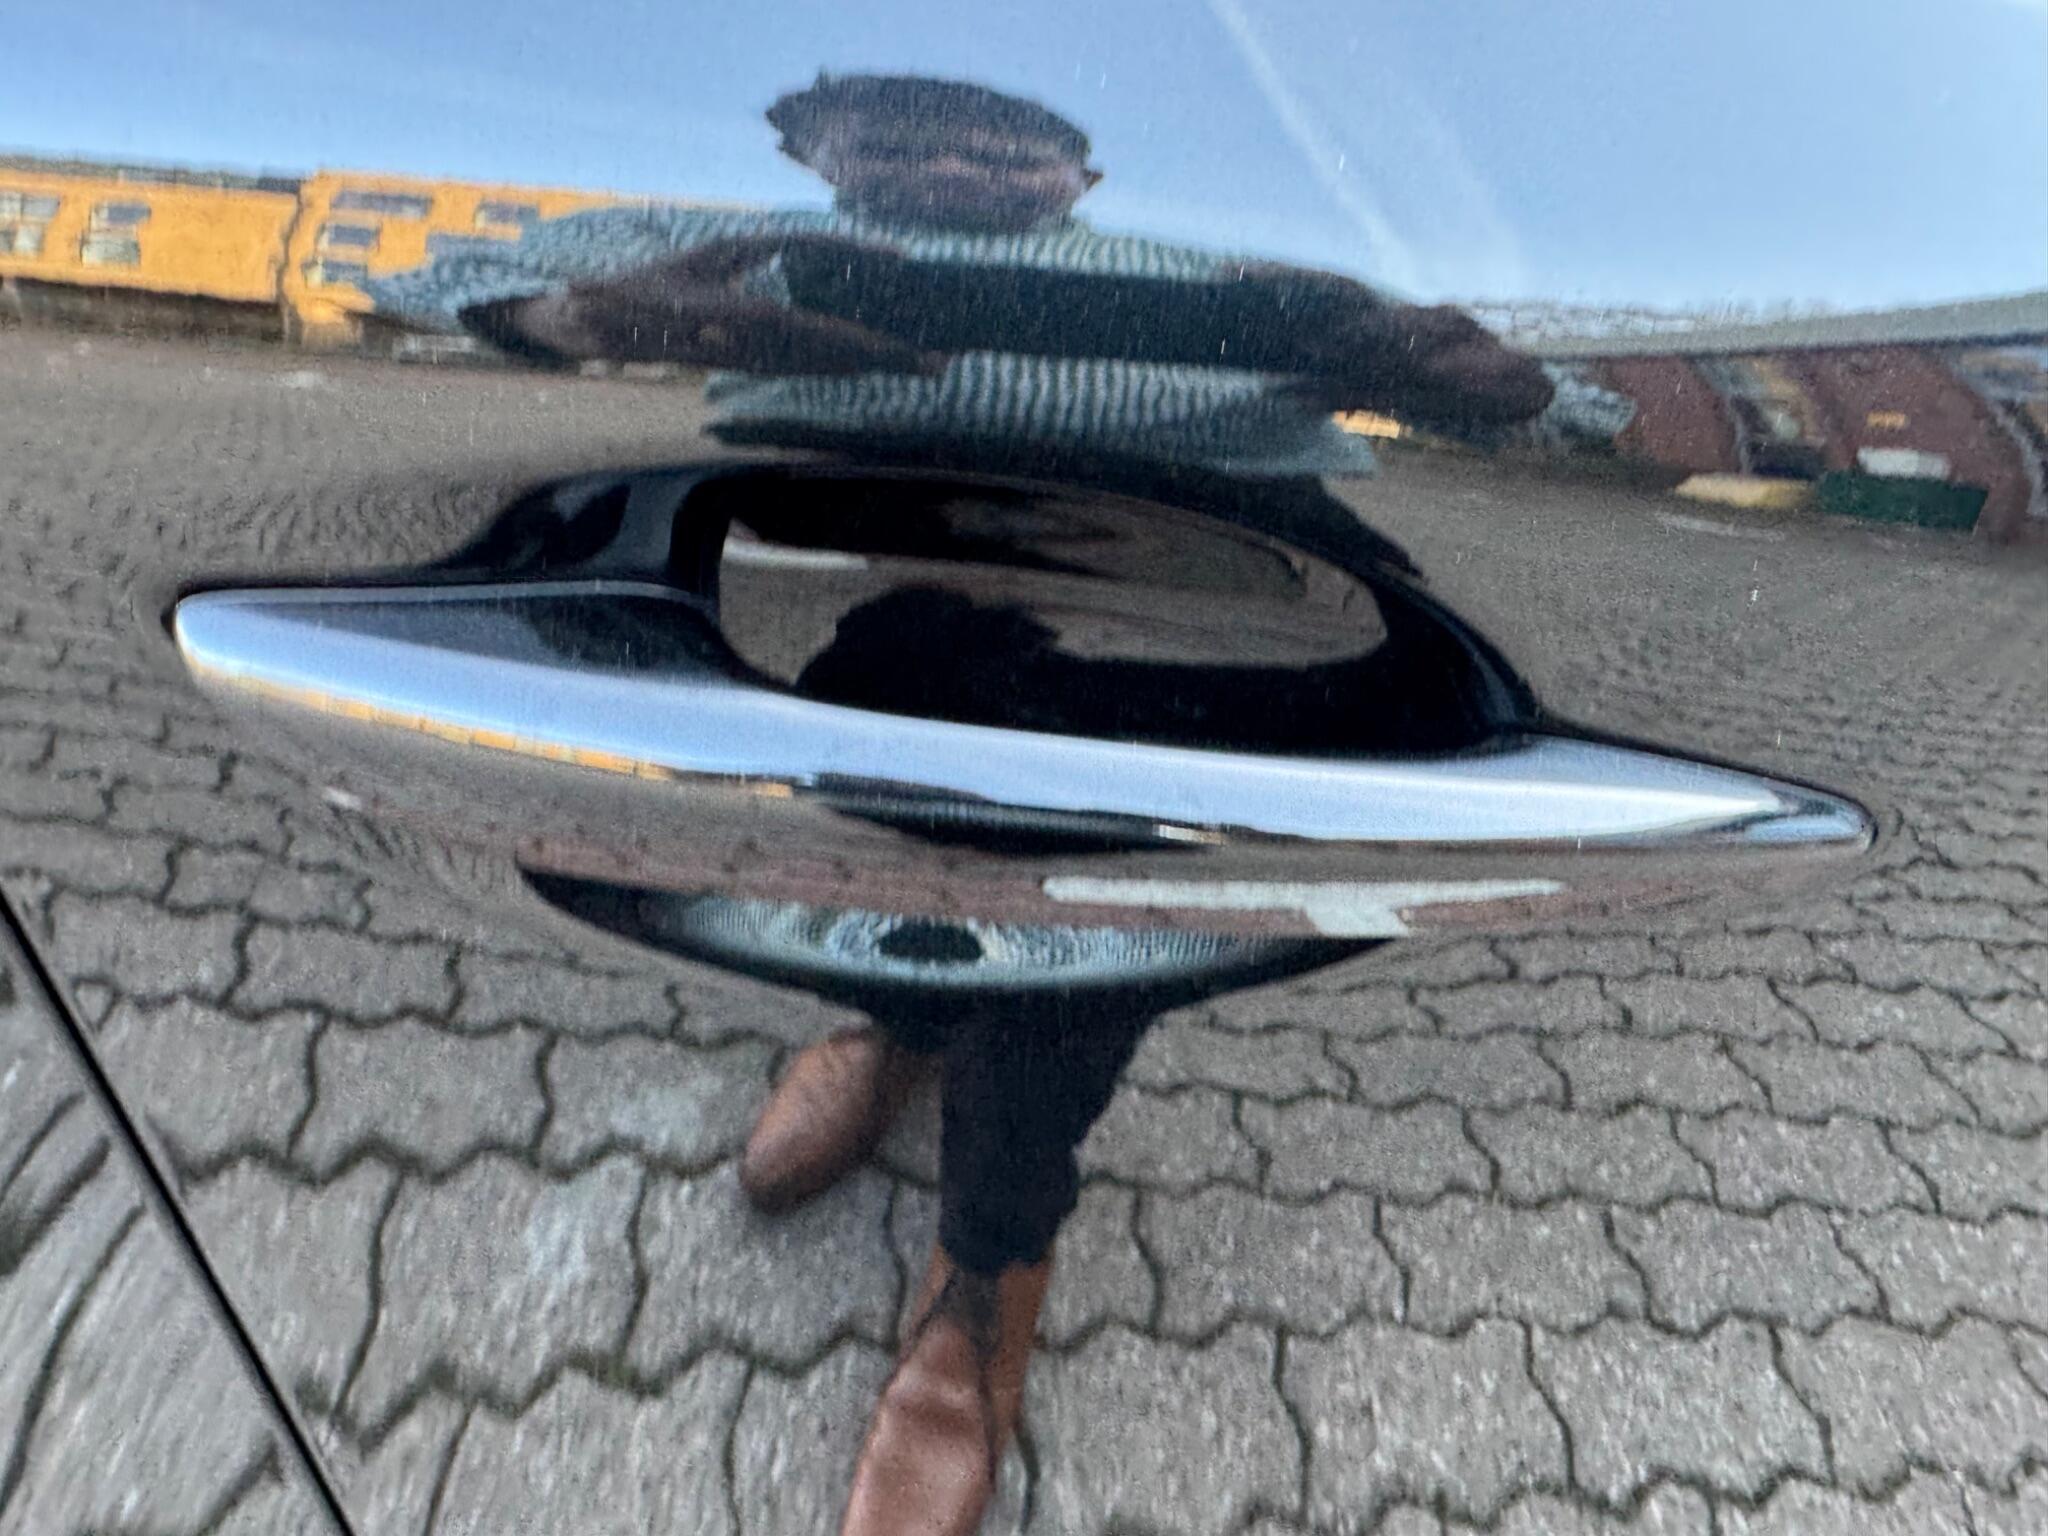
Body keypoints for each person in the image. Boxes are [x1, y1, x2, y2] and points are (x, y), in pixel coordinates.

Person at [367, 72, 1611, 1536]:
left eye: (1006, 140)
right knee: (880, 836)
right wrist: (585, 315)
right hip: (853, 578)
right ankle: (894, 1021)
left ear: (1085, 177)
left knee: (1076, 935)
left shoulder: (1216, 266)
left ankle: (987, 1260)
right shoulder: (726, 236)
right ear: (820, 157)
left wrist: (1490, 380)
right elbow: (431, 281)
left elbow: (1577, 408)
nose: (960, 161)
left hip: (1205, 610)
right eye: (904, 137)